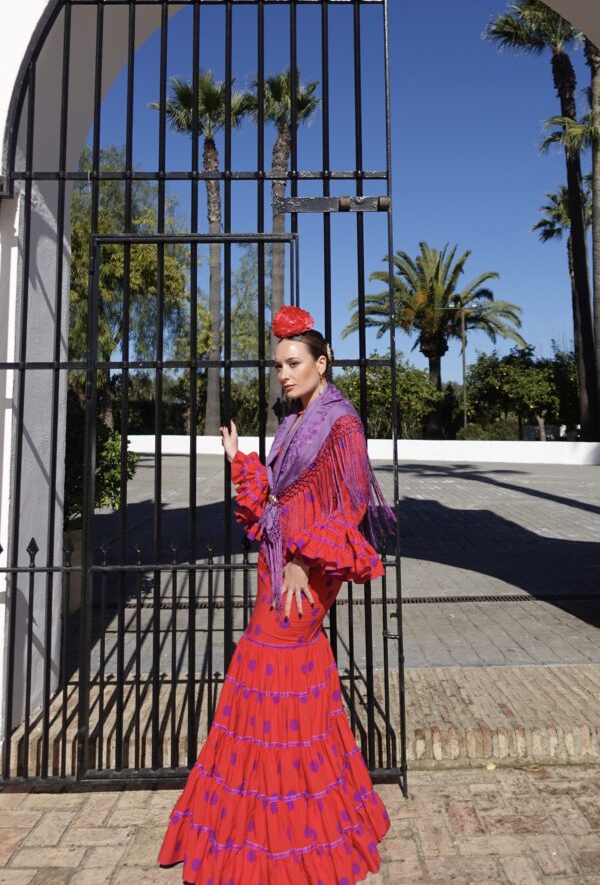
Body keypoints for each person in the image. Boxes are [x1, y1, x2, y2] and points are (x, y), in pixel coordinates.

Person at [158, 305, 395, 884]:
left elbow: (350, 506)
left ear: (322, 362)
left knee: (266, 666)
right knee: (290, 681)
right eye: (278, 366)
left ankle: (288, 826)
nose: (284, 375)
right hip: (279, 564)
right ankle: (297, 811)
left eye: (293, 364)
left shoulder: (341, 424)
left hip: (307, 569)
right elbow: (275, 506)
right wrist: (242, 461)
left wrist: (302, 560)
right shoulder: (292, 421)